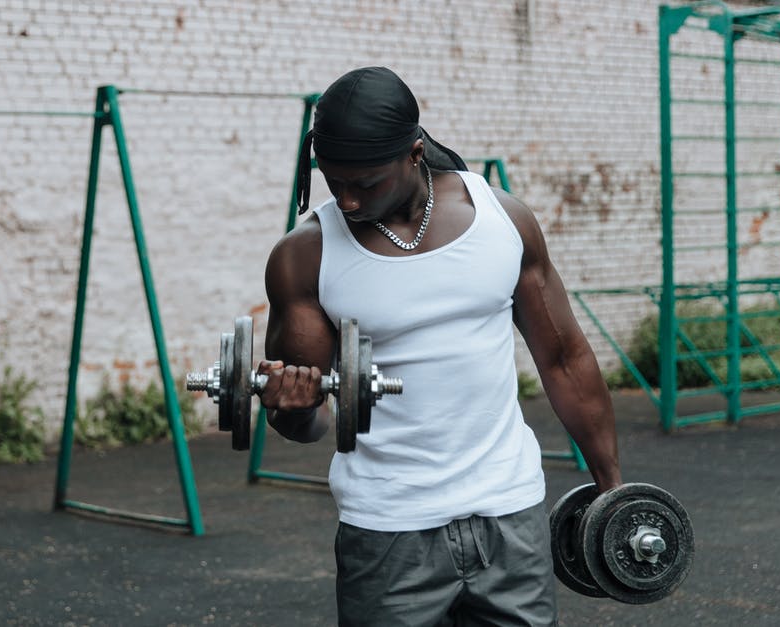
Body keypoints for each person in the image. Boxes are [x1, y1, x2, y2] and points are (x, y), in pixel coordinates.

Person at [255, 66, 622, 626]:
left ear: (414, 152)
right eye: (335, 181)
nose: (349, 202)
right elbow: (310, 423)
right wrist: (291, 407)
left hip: (510, 514)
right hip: (388, 528)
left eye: (367, 183)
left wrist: (612, 489)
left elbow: (564, 358)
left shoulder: (503, 221)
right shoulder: (305, 256)